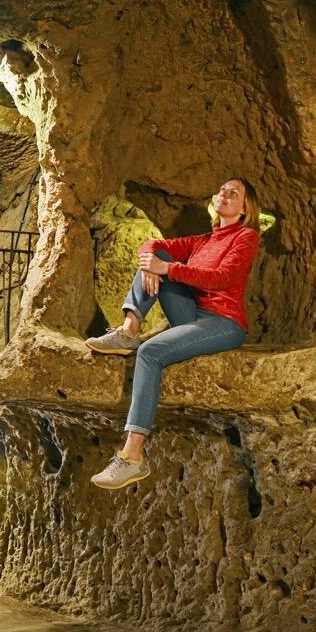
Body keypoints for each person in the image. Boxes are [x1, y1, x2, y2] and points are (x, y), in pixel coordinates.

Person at [85, 178, 261, 489]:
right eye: (222, 189)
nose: (224, 194)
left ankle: (132, 457)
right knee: (155, 259)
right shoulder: (204, 239)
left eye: (234, 193)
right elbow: (150, 246)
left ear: (246, 209)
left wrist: (167, 270)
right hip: (192, 315)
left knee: (150, 352)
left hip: (223, 322)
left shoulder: (245, 237)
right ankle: (128, 330)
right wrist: (152, 265)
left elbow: (222, 278)